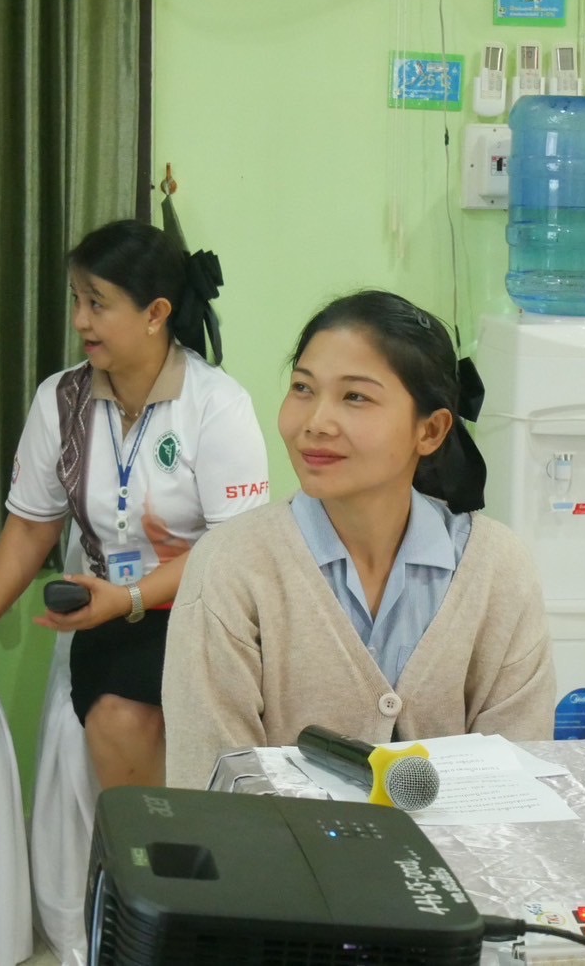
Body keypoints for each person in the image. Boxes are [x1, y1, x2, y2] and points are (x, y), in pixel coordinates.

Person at [0, 220, 269, 788]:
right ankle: (142, 840)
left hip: (203, 614)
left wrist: (131, 597)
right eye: (77, 300)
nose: (80, 320)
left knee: (163, 720)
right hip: (107, 616)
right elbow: (31, 526)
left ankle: (164, 838)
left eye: (98, 303)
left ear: (156, 314)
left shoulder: (216, 405)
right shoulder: (61, 399)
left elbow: (233, 549)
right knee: (116, 719)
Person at [162, 290, 556, 787]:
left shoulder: (497, 568)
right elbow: (212, 787)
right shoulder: (232, 566)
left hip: (466, 842)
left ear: (431, 431)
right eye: (303, 388)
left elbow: (517, 778)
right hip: (280, 842)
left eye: (355, 397)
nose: (315, 423)